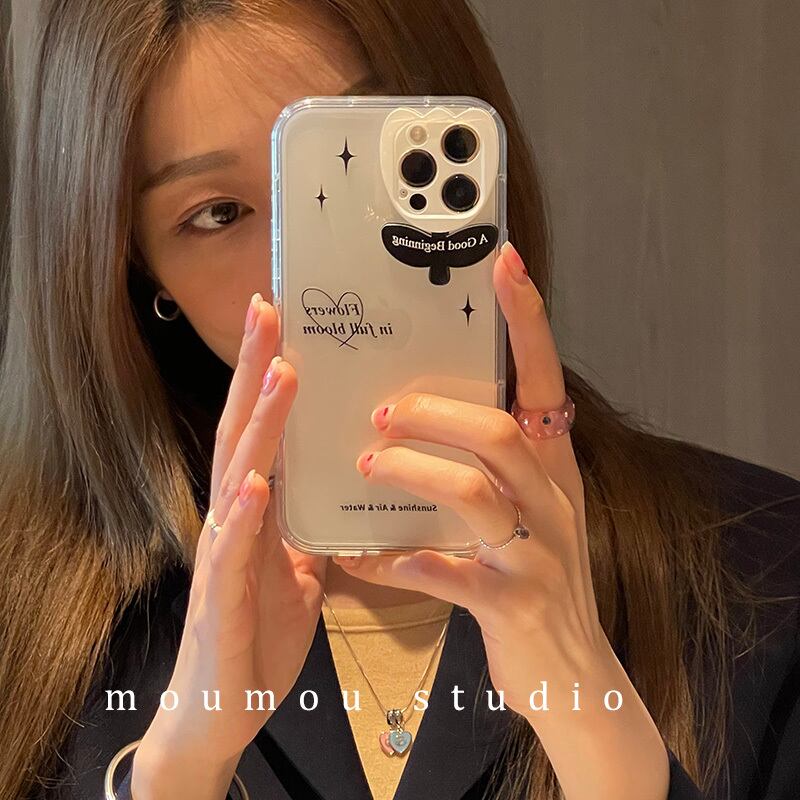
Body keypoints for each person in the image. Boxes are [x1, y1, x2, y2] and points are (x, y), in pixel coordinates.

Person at [1, 1, 798, 799]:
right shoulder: (24, 622)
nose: (308, 269)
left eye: (351, 165)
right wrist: (178, 770)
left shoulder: (767, 578)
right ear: (139, 271)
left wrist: (599, 736)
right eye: (218, 213)